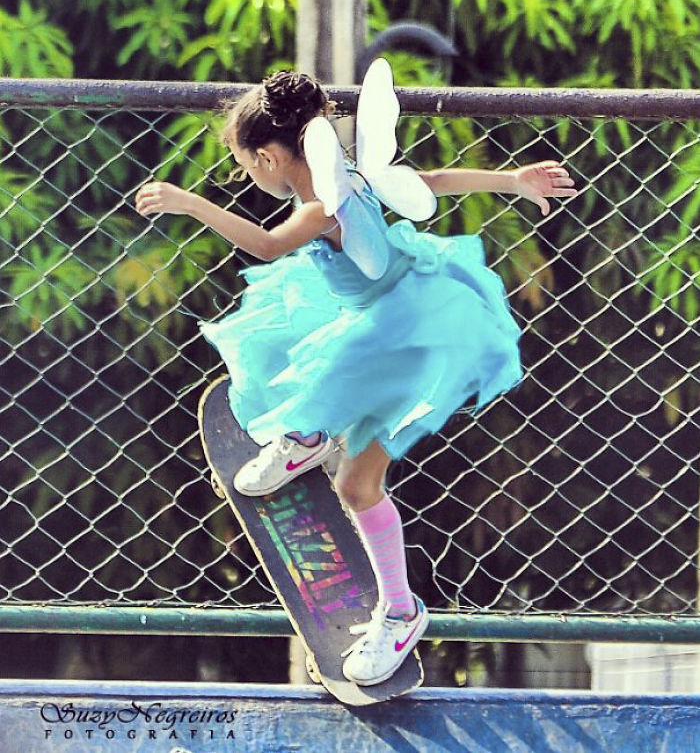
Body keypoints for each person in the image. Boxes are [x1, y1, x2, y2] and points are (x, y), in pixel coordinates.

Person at [135, 63, 576, 687]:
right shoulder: (348, 176)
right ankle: (309, 436)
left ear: (268, 155)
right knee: (284, 341)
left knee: (356, 486)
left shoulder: (321, 206)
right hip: (375, 311)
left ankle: (400, 612)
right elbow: (422, 180)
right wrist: (510, 179)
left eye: (244, 163)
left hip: (402, 336)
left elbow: (265, 246)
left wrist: (187, 203)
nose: (246, 176)